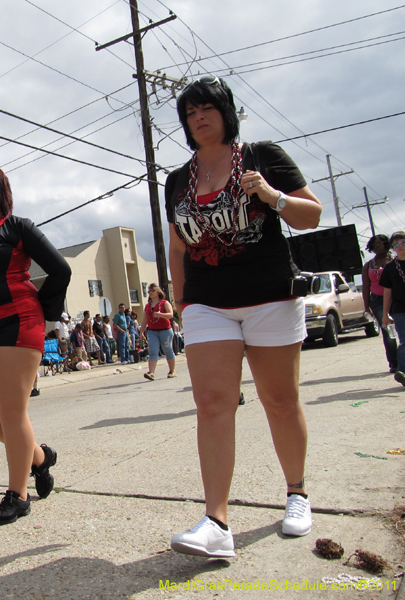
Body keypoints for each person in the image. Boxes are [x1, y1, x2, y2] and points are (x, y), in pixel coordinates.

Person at [165, 76, 322, 557]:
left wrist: (271, 195)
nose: (198, 118)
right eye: (190, 113)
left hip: (270, 295)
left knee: (279, 400)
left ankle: (296, 493)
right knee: (213, 403)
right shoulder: (177, 180)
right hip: (208, 303)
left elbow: (310, 215)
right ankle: (217, 522)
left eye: (207, 108)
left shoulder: (262, 156)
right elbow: (177, 247)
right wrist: (183, 302)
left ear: (226, 111)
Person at [0, 162, 71, 525]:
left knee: (10, 410)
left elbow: (60, 269)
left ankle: (18, 495)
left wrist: (41, 305)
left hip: (18, 321)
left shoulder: (19, 228)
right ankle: (38, 457)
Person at [362, 234, 397, 372]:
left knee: (401, 329)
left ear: (386, 244)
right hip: (377, 301)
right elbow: (365, 286)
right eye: (374, 244)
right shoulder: (368, 265)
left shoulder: (395, 260)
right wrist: (366, 307)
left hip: (397, 298)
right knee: (387, 330)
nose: (377, 246)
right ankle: (394, 363)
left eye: (380, 243)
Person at [380, 231, 405, 386]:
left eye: (403, 242)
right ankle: (403, 373)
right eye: (396, 244)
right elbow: (387, 292)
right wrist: (385, 314)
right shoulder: (390, 268)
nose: (400, 246)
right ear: (392, 248)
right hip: (399, 309)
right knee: (404, 341)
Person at [139, 283, 176, 380]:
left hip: (165, 330)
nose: (150, 293)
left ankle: (172, 371)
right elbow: (144, 320)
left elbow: (170, 315)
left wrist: (160, 315)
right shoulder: (147, 306)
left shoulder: (165, 303)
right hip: (152, 331)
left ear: (158, 292)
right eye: (149, 291)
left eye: (152, 291)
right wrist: (141, 332)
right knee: (153, 351)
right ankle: (151, 372)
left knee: (168, 350)